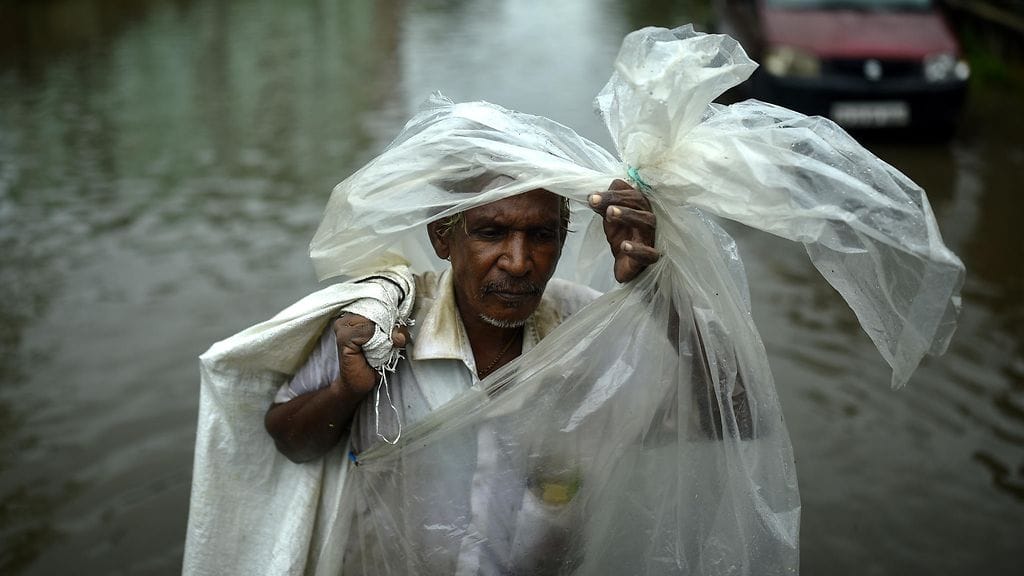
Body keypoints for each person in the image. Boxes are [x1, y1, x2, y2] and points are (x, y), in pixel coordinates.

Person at [264, 180, 659, 463]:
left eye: (541, 235)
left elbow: (691, 418)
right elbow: (290, 443)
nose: (518, 263)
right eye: (491, 233)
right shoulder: (380, 324)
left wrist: (656, 286)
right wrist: (345, 392)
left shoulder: (586, 326)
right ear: (442, 237)